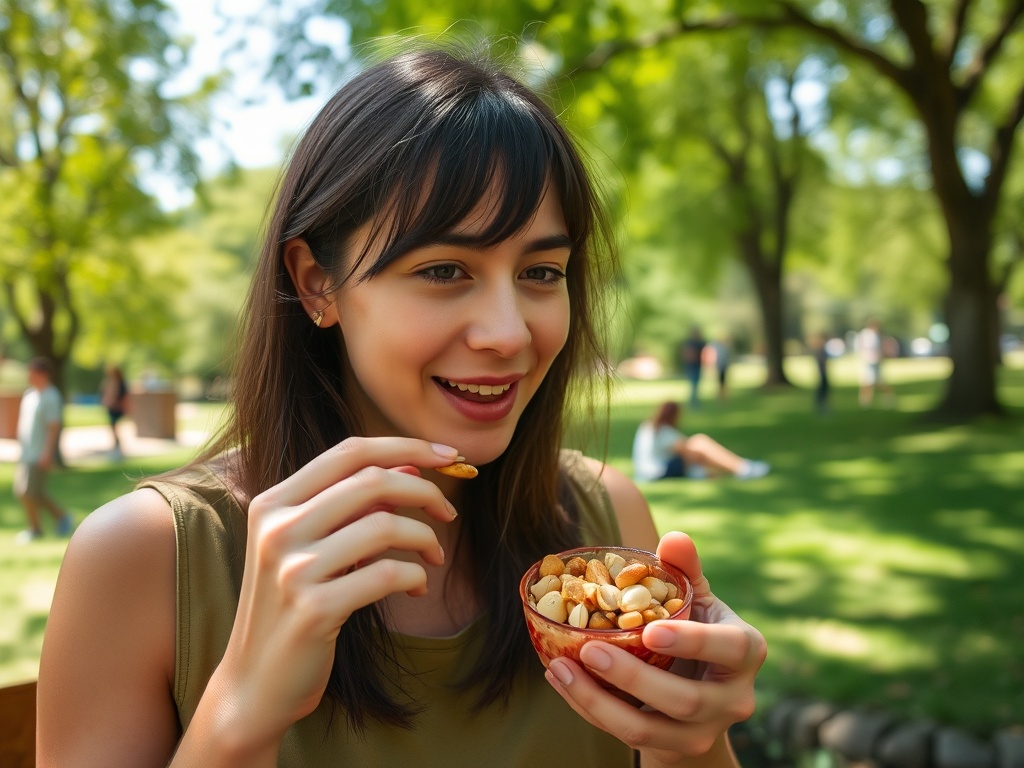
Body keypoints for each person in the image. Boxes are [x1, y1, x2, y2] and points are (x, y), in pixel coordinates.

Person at [37, 45, 766, 767]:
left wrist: (690, 745)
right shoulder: (144, 559)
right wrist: (241, 712)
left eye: (542, 271)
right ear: (319, 283)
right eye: (445, 269)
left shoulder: (606, 520)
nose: (510, 332)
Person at [632, 402, 770, 483]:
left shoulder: (649, 426)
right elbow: (687, 449)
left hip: (650, 471)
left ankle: (737, 468)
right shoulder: (663, 431)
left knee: (699, 445)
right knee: (700, 444)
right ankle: (742, 468)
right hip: (656, 473)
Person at [13, 357, 73, 544]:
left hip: (39, 453)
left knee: (27, 492)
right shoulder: (30, 395)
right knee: (31, 492)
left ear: (43, 374)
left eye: (32, 372)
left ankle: (37, 528)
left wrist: (48, 452)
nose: (28, 376)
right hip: (26, 452)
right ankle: (60, 518)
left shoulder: (51, 396)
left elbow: (53, 426)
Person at [854, 318, 894, 407]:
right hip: (868, 360)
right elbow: (860, 347)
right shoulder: (864, 335)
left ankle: (888, 399)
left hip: (877, 360)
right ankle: (865, 401)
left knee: (880, 381)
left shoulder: (877, 335)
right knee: (867, 381)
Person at [99, 365, 129, 458]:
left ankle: (117, 446)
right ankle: (116, 445)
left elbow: (124, 396)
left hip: (116, 408)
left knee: (114, 426)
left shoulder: (120, 383)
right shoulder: (109, 382)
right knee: (113, 426)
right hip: (111, 407)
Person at [679, 325, 706, 408]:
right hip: (691, 366)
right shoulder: (690, 343)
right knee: (693, 385)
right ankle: (693, 402)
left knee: (695, 385)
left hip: (697, 366)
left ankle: (694, 401)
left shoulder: (699, 342)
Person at [706, 334, 731, 401]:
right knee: (719, 382)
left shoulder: (723, 348)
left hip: (723, 366)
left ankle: (723, 396)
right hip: (718, 366)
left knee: (723, 382)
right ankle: (719, 396)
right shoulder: (717, 348)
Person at [810, 333, 831, 414]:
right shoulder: (820, 350)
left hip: (823, 372)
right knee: (822, 389)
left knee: (823, 389)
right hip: (822, 372)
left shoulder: (821, 350)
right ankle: (821, 405)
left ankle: (822, 404)